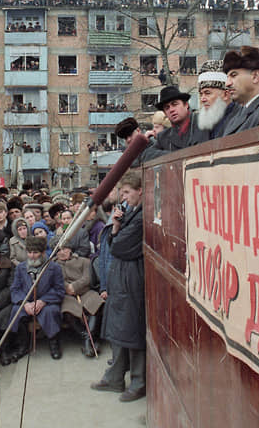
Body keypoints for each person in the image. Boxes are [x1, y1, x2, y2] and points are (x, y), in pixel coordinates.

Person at [91, 172, 146, 402]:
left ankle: (138, 381)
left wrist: (115, 229)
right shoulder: (130, 214)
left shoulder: (141, 216)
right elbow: (113, 244)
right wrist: (116, 229)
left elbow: (119, 247)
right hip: (121, 278)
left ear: (139, 191)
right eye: (121, 192)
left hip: (132, 279)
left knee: (132, 332)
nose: (122, 197)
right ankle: (114, 376)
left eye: (126, 192)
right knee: (118, 330)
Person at [8, 236, 65, 361]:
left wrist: (43, 301)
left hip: (47, 302)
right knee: (16, 312)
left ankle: (54, 343)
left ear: (43, 252)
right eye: (29, 252)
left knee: (51, 312)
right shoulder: (20, 268)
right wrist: (24, 303)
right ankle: (23, 345)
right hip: (26, 302)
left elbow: (59, 289)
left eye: (35, 252)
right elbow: (15, 289)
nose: (32, 256)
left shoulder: (54, 268)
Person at [55, 243, 104, 358]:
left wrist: (75, 286)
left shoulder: (84, 261)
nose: (62, 252)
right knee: (67, 309)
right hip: (67, 295)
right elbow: (57, 280)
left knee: (96, 303)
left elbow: (88, 278)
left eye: (65, 248)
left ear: (70, 249)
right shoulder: (54, 265)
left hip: (85, 291)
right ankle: (88, 339)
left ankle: (88, 340)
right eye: (59, 250)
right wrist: (68, 287)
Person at [140, 85, 208, 162]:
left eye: (174, 104)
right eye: (167, 107)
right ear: (165, 113)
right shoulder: (163, 137)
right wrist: (174, 156)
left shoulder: (204, 122)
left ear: (186, 105)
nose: (171, 110)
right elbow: (146, 155)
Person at [221, 46, 259, 130]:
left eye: (233, 75)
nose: (227, 83)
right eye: (227, 77)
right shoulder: (238, 113)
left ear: (255, 76)